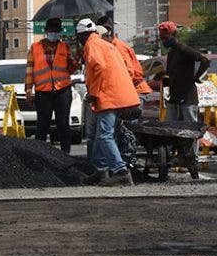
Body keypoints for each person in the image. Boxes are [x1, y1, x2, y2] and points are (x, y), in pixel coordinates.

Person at [76, 18, 140, 186]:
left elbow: (99, 67)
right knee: (99, 135)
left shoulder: (92, 45)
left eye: (79, 37)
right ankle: (101, 171)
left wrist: (94, 93)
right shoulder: (106, 44)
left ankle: (121, 172)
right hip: (116, 94)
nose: (79, 41)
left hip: (108, 96)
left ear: (83, 35)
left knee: (104, 136)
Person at [24, 17, 78, 153]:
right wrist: (28, 91)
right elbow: (30, 70)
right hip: (43, 92)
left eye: (56, 31)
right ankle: (39, 154)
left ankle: (66, 155)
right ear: (46, 31)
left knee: (63, 123)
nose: (54, 33)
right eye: (51, 30)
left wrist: (76, 58)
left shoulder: (64, 47)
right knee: (42, 124)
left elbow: (71, 69)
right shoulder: (35, 48)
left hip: (62, 90)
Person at [157, 20, 209, 123]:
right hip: (174, 98)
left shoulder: (183, 49)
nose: (163, 41)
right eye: (162, 38)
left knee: (190, 130)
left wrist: (196, 77)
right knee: (170, 128)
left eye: (165, 38)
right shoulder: (171, 53)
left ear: (174, 35)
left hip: (187, 98)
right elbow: (171, 73)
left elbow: (205, 60)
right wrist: (162, 75)